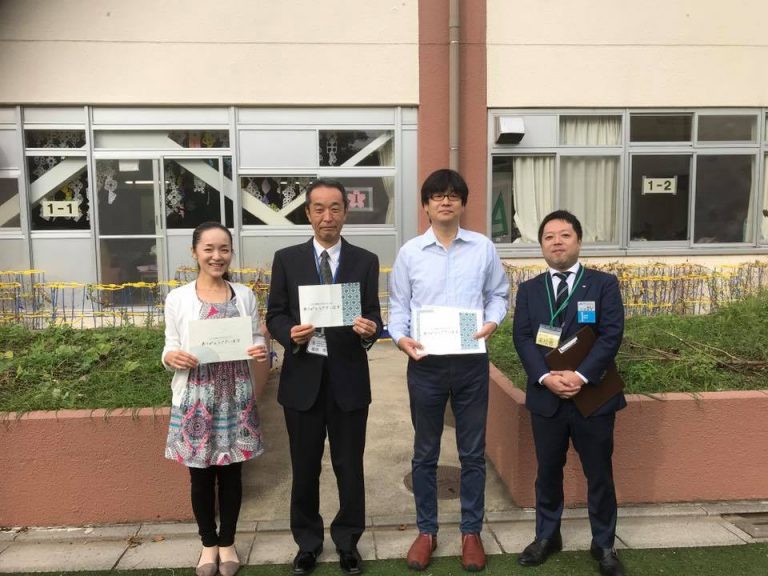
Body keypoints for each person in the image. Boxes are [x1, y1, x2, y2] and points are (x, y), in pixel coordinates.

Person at [388, 169, 509, 572]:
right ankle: (427, 531)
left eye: (453, 195)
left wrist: (491, 322)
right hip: (426, 364)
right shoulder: (410, 253)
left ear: (462, 203)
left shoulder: (482, 248)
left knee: (472, 452)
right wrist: (401, 338)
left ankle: (471, 532)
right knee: (425, 452)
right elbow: (399, 306)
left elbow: (498, 294)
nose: (445, 201)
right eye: (437, 196)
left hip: (471, 362)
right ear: (425, 205)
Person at [266, 179, 382, 576]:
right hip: (303, 382)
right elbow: (275, 314)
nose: (327, 216)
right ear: (308, 213)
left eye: (335, 208)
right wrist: (289, 333)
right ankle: (308, 542)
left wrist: (370, 329)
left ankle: (348, 541)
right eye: (319, 208)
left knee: (349, 467)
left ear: (345, 212)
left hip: (349, 381)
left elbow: (372, 313)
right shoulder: (287, 259)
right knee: (304, 467)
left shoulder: (365, 261)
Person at [512, 210, 626, 576]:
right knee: (547, 471)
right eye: (549, 237)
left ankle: (604, 543)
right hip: (547, 397)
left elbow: (611, 334)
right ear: (541, 246)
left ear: (578, 241)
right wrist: (546, 377)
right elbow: (522, 338)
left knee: (599, 473)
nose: (557, 242)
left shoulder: (603, 284)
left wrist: (580, 375)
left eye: (564, 235)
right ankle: (547, 536)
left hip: (592, 397)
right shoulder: (530, 290)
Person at [162, 221, 269, 576]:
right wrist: (171, 357)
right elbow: (170, 346)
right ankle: (208, 544)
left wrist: (260, 348)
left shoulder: (245, 295)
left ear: (231, 253)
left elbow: (256, 338)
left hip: (235, 395)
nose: (216, 256)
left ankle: (228, 542)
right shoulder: (178, 298)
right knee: (201, 477)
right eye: (208, 249)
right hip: (195, 396)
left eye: (224, 249)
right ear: (195, 252)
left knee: (232, 474)